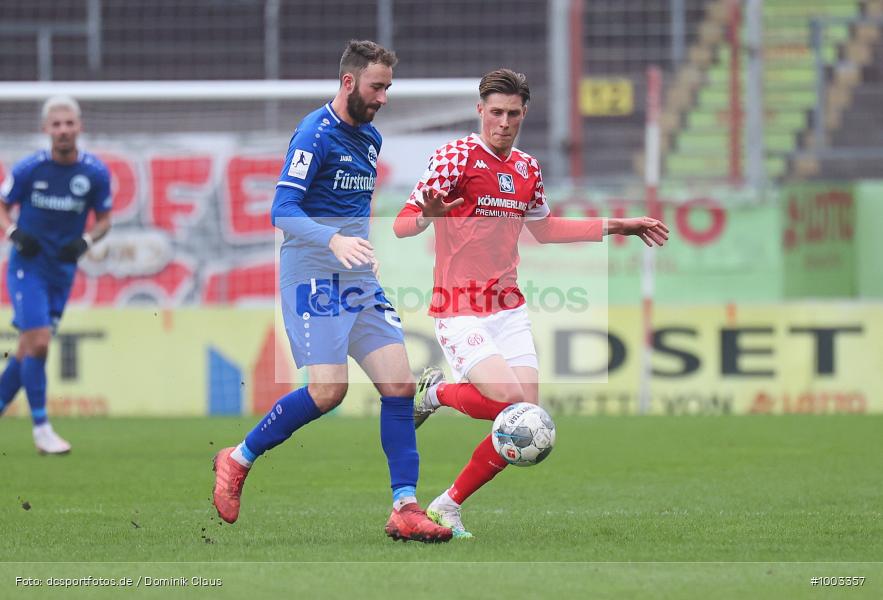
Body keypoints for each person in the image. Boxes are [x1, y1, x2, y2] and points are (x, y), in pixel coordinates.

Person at [393, 68, 670, 538]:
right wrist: (426, 215)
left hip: (508, 307)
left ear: (525, 113)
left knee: (528, 415)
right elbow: (402, 224)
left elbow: (544, 228)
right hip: (459, 307)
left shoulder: (527, 168)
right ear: (480, 111)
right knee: (508, 400)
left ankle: (447, 505)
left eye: (513, 114)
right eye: (495, 112)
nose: (503, 122)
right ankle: (435, 393)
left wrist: (616, 226)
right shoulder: (455, 157)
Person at [211, 40, 452, 543]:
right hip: (311, 275)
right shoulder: (313, 134)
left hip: (356, 279)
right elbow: (281, 211)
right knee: (328, 391)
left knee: (400, 387)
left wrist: (390, 232)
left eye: (388, 87)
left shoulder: (370, 139)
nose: (384, 97)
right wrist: (334, 239)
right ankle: (237, 458)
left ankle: (404, 507)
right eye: (376, 86)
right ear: (348, 82)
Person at [0, 96, 112, 454]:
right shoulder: (29, 168)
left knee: (26, 350)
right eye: (56, 124)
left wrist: (84, 241)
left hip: (61, 272)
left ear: (79, 126)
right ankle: (42, 429)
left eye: (69, 123)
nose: (63, 130)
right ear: (45, 129)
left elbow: (105, 220)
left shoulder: (94, 173)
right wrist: (13, 233)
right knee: (41, 342)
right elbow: (2, 206)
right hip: (26, 267)